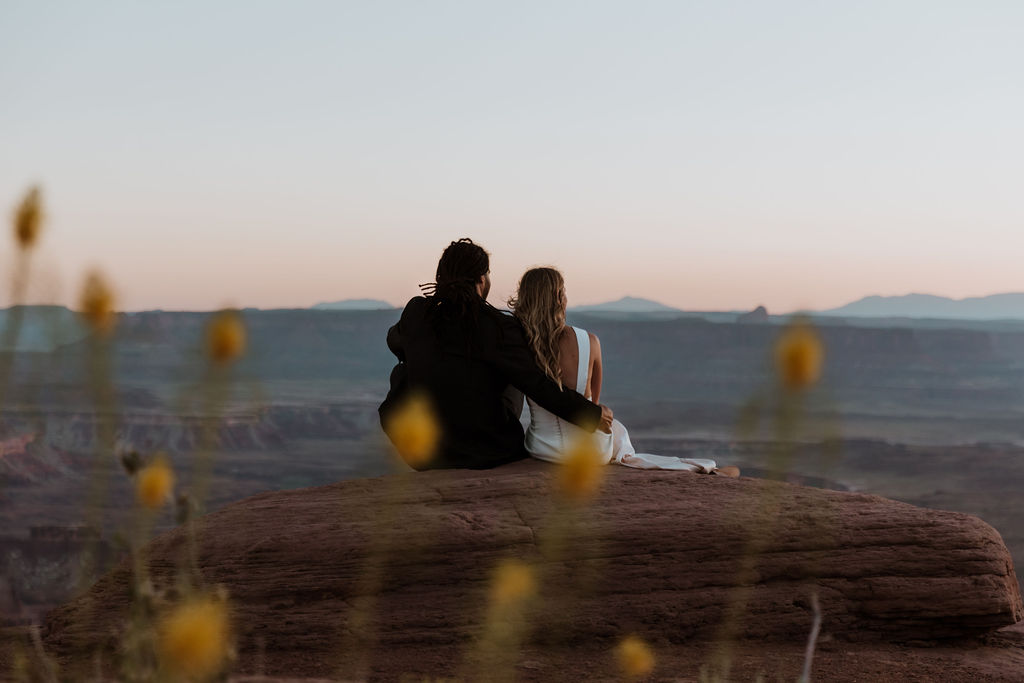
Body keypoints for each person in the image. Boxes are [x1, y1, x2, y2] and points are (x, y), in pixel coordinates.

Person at [379, 239, 614, 470]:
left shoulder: (417, 312)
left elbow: (395, 341)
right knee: (511, 373)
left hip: (423, 451)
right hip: (489, 450)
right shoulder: (498, 326)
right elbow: (537, 385)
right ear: (482, 280)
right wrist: (590, 415)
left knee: (402, 371)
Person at [508, 266, 739, 475]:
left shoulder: (518, 345)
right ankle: (705, 468)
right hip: (589, 452)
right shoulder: (590, 341)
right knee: (616, 430)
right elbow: (593, 403)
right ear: (560, 297)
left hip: (541, 447)